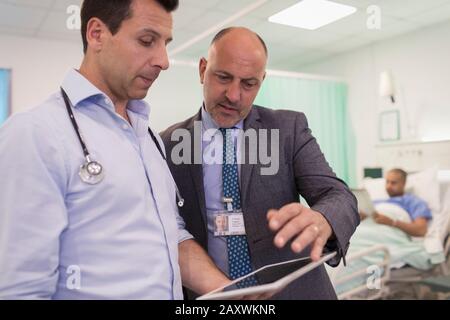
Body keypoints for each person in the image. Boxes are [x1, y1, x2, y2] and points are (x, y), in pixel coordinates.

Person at [0, 0, 231, 299]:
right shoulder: (36, 133)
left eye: (165, 44)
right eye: (147, 41)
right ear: (96, 34)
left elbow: (169, 234)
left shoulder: (148, 137)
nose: (163, 60)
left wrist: (228, 291)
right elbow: (21, 289)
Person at [161, 27, 359, 299]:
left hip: (293, 292)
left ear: (261, 81)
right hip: (213, 296)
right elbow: (169, 230)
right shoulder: (168, 144)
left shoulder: (287, 129)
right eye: (223, 77)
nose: (233, 95)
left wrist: (324, 218)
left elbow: (338, 195)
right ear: (202, 70)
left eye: (248, 84)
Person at [363, 168, 431, 237]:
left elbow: (421, 230)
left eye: (393, 183)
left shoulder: (414, 202)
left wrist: (392, 223)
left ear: (403, 184)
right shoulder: (377, 202)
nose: (389, 186)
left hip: (388, 236)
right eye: (387, 182)